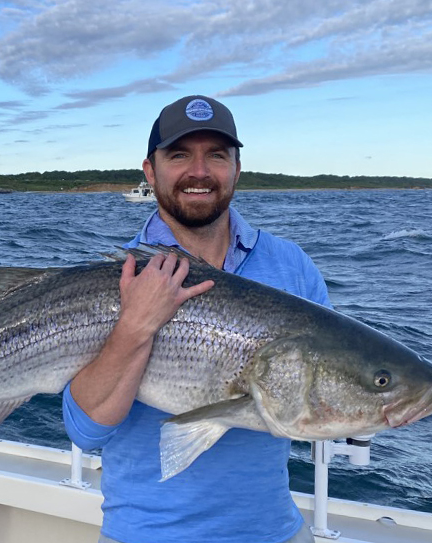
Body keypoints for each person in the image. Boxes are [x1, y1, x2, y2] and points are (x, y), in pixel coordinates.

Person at [62, 95, 331, 543]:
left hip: (274, 533)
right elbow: (86, 432)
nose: (200, 171)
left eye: (217, 156)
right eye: (180, 154)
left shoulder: (292, 267)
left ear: (237, 169)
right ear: (150, 171)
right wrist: (134, 326)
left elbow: (323, 391)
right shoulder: (115, 280)